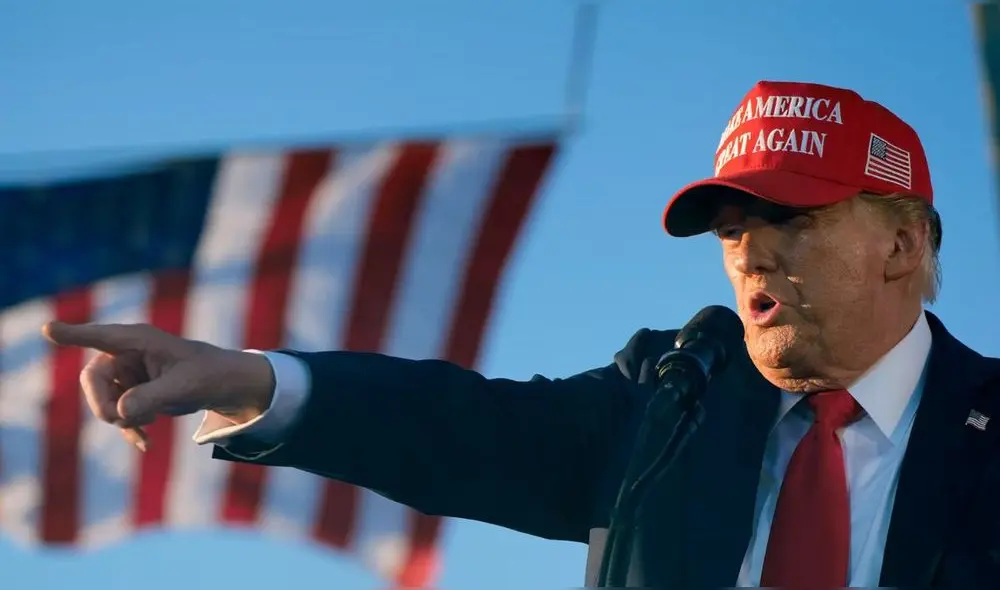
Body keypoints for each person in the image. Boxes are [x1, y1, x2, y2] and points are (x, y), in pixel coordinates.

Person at [43, 81, 1000, 588]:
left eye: (792, 221)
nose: (751, 255)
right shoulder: (673, 399)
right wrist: (246, 378)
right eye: (733, 228)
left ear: (901, 245)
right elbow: (456, 428)